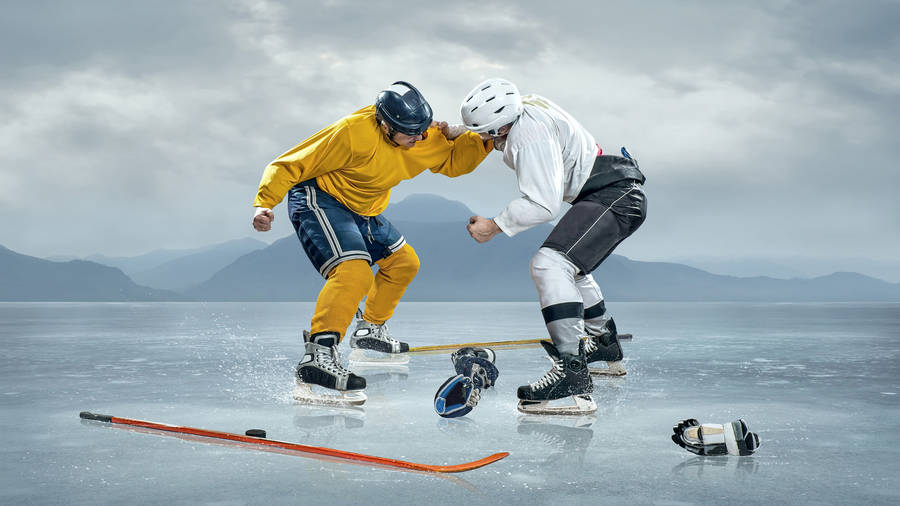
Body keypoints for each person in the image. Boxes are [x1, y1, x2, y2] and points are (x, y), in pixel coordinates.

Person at [252, 81, 491, 406]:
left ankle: (369, 331)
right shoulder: (353, 132)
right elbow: (289, 164)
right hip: (320, 198)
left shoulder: (422, 135)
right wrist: (265, 203)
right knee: (355, 273)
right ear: (384, 125)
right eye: (410, 133)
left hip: (364, 209)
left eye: (422, 130)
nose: (419, 138)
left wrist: (486, 136)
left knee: (405, 263)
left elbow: (454, 163)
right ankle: (317, 357)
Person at [460, 78, 647, 415]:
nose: (486, 139)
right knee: (570, 271)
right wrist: (457, 131)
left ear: (501, 126)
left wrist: (494, 224)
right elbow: (494, 123)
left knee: (549, 264)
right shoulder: (525, 104)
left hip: (612, 196)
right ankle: (605, 347)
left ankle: (573, 374)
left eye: (488, 133)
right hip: (615, 190)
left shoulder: (528, 137)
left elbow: (544, 204)